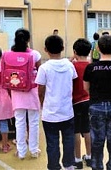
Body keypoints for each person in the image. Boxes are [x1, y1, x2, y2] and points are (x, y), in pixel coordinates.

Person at [83, 35, 111, 170]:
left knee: (97, 141)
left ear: (97, 48)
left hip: (96, 105)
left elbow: (86, 88)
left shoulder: (91, 68)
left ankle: (97, 166)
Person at [35, 35, 77, 170]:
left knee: (52, 143)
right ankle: (69, 164)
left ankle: (54, 166)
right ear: (63, 48)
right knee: (68, 140)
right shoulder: (69, 65)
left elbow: (40, 90)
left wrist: (42, 104)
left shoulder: (44, 68)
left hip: (50, 112)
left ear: (45, 49)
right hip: (67, 111)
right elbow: (74, 81)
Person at [7, 29, 42, 159]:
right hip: (32, 91)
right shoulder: (35, 54)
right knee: (33, 122)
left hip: (16, 91)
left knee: (19, 122)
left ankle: (21, 152)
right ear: (28, 39)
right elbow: (40, 72)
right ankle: (34, 150)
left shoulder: (9, 55)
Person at [71, 39, 92, 168]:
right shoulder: (91, 66)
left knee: (76, 131)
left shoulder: (72, 66)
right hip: (89, 100)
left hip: (75, 101)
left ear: (74, 52)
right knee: (88, 130)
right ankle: (89, 157)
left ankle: (77, 159)